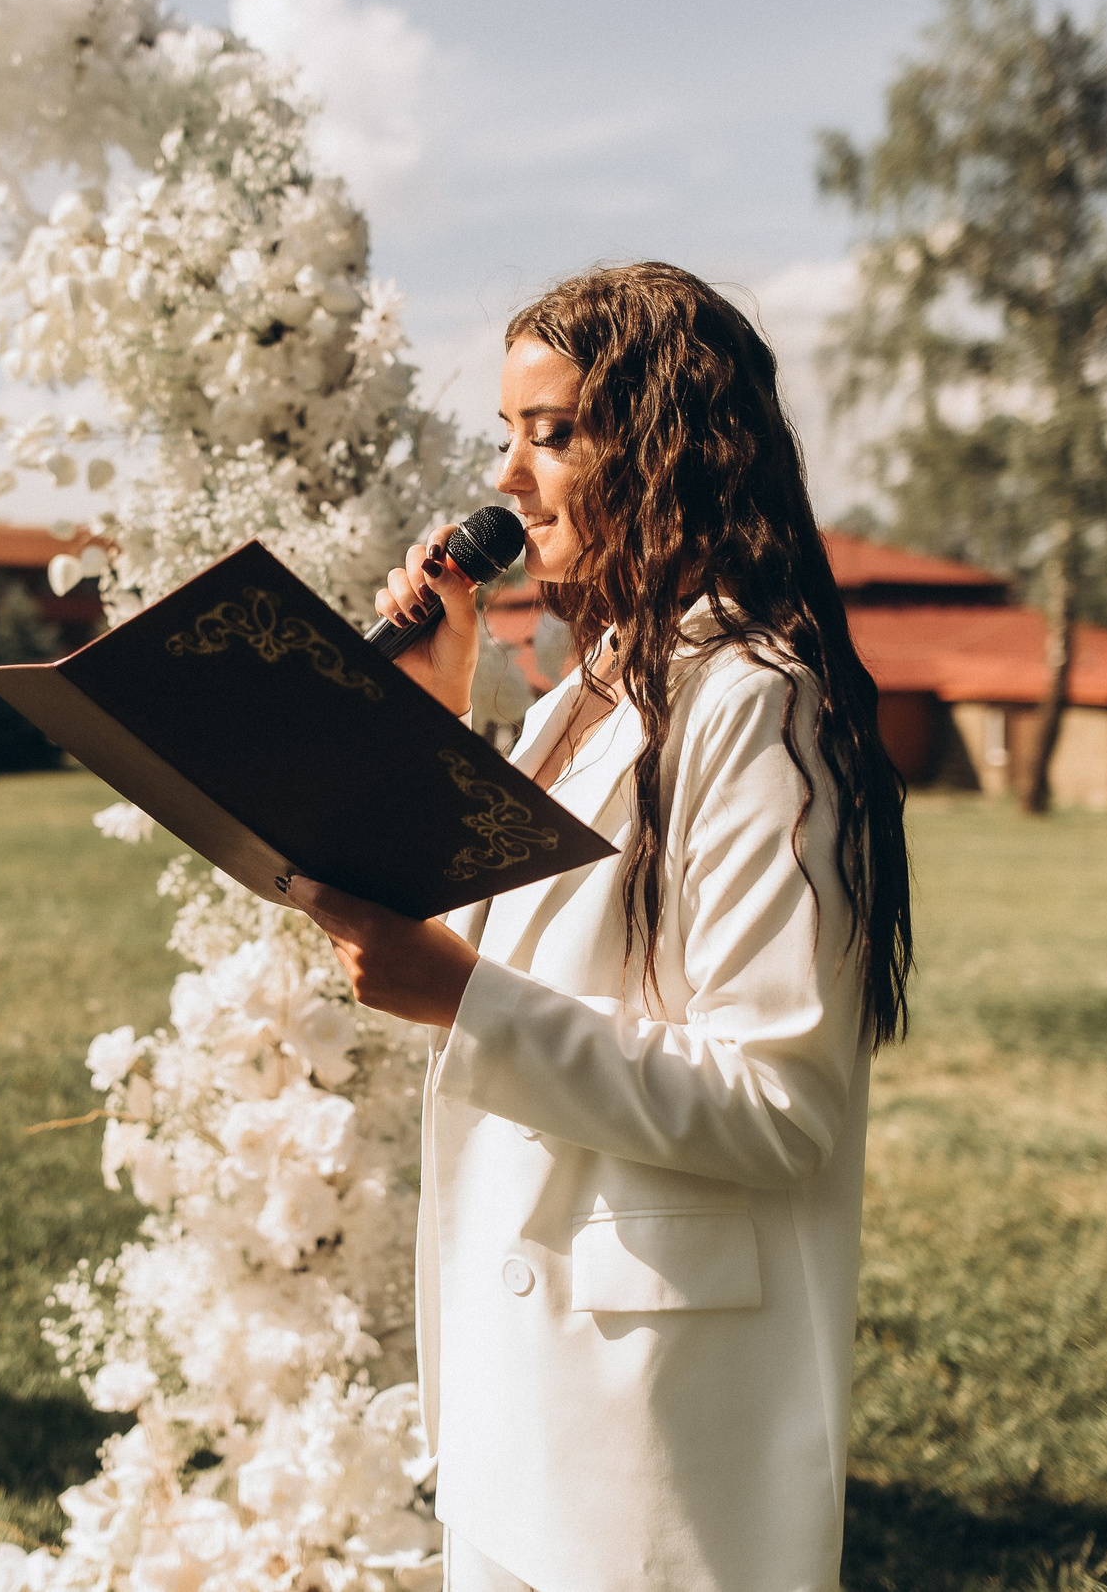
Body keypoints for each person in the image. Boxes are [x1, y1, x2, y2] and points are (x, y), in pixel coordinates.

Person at [282, 262, 912, 1592]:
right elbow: (538, 946)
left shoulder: (756, 700)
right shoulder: (592, 689)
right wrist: (429, 716)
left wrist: (461, 1003)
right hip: (527, 1379)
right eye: (505, 437)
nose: (507, 482)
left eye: (553, 433)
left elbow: (780, 1106)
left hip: (650, 1426)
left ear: (683, 449)